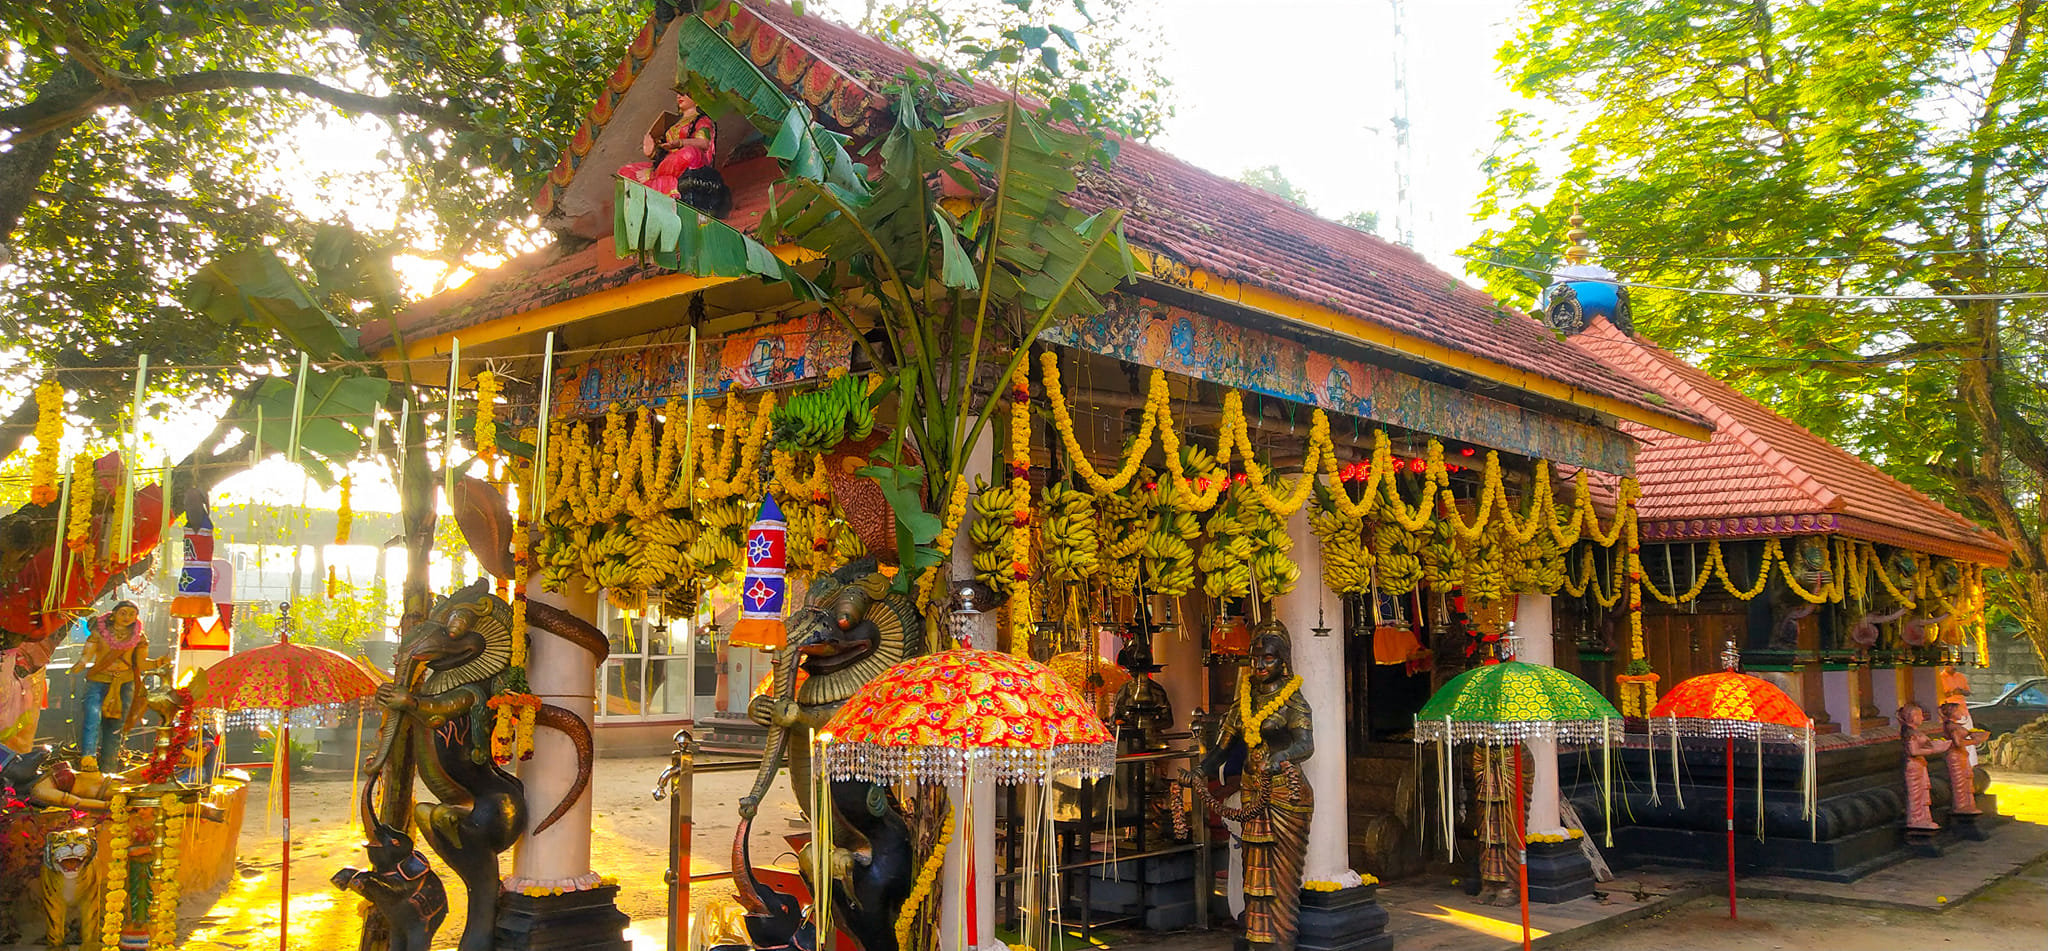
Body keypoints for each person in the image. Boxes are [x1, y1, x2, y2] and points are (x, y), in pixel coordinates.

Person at [1185, 623, 1313, 951]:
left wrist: (1279, 756)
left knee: (1281, 876)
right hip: (1252, 793)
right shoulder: (1244, 701)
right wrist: (1200, 770)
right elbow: (1223, 747)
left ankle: (1280, 939)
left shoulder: (1291, 699)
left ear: (1282, 661)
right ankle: (1255, 935)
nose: (1259, 666)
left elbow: (1306, 743)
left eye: (1267, 659)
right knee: (1253, 873)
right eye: (1255, 659)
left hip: (1285, 795)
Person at [77, 601, 165, 770]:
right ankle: (88, 759)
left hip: (125, 682)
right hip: (98, 680)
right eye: (123, 613)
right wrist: (80, 665)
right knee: (92, 718)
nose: (127, 618)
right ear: (114, 614)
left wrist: (158, 663)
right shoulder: (99, 633)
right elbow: (86, 656)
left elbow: (141, 663)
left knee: (116, 727)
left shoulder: (139, 637)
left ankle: (108, 768)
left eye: (131, 614)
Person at [619, 92, 731, 216]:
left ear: (697, 99)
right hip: (667, 165)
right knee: (625, 171)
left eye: (684, 93)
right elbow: (664, 155)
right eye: (677, 93)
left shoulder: (702, 119)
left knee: (688, 153)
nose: (679, 96)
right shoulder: (673, 123)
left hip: (689, 160)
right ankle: (667, 184)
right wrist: (652, 152)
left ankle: (654, 178)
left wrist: (679, 143)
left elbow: (704, 143)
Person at [1897, 702, 1951, 832]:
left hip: (1919, 764)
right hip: (1913, 765)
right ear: (1912, 717)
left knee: (1923, 791)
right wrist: (1934, 750)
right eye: (1920, 715)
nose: (1922, 718)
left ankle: (1924, 818)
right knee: (1916, 793)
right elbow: (1913, 751)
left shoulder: (1915, 731)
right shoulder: (1909, 733)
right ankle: (1916, 819)